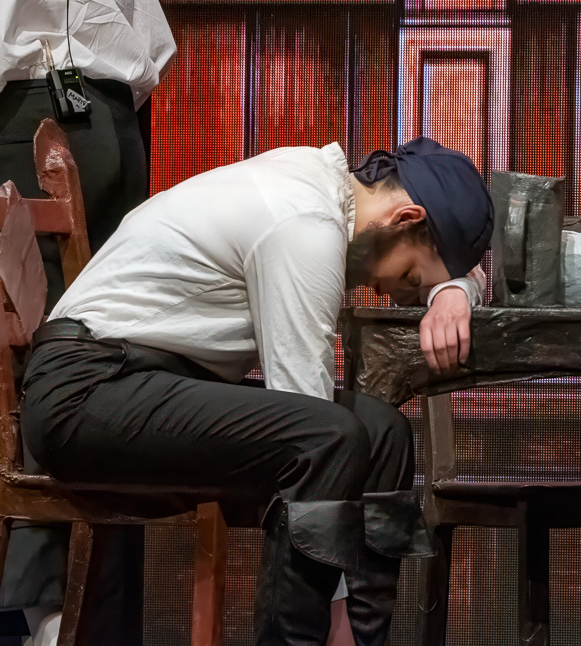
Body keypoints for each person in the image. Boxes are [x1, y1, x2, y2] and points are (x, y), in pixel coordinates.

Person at [17, 135, 494, 646]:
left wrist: (453, 290)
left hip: (154, 382)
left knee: (385, 433)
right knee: (328, 439)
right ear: (406, 218)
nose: (401, 297)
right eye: (413, 278)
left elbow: (468, 270)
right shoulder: (304, 226)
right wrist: (332, 611)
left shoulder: (324, 194)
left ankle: (361, 638)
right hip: (86, 391)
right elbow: (309, 417)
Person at [0, 0, 175, 643]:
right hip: (112, 113)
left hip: (30, 112)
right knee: (107, 365)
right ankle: (91, 621)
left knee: (45, 370)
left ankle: (51, 620)